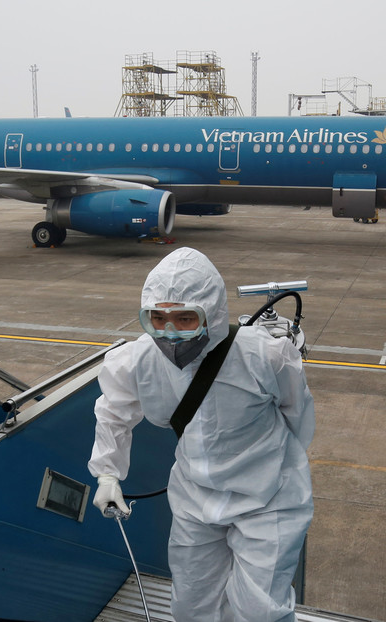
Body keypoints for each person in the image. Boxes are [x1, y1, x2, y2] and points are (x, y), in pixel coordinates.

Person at [88, 247, 315, 622]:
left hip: (268, 497)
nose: (170, 333)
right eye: (157, 318)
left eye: (185, 318)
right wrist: (108, 474)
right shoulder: (139, 361)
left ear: (211, 314)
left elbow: (298, 414)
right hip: (195, 498)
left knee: (260, 611)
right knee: (192, 604)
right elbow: (114, 410)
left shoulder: (264, 357)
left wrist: (280, 466)